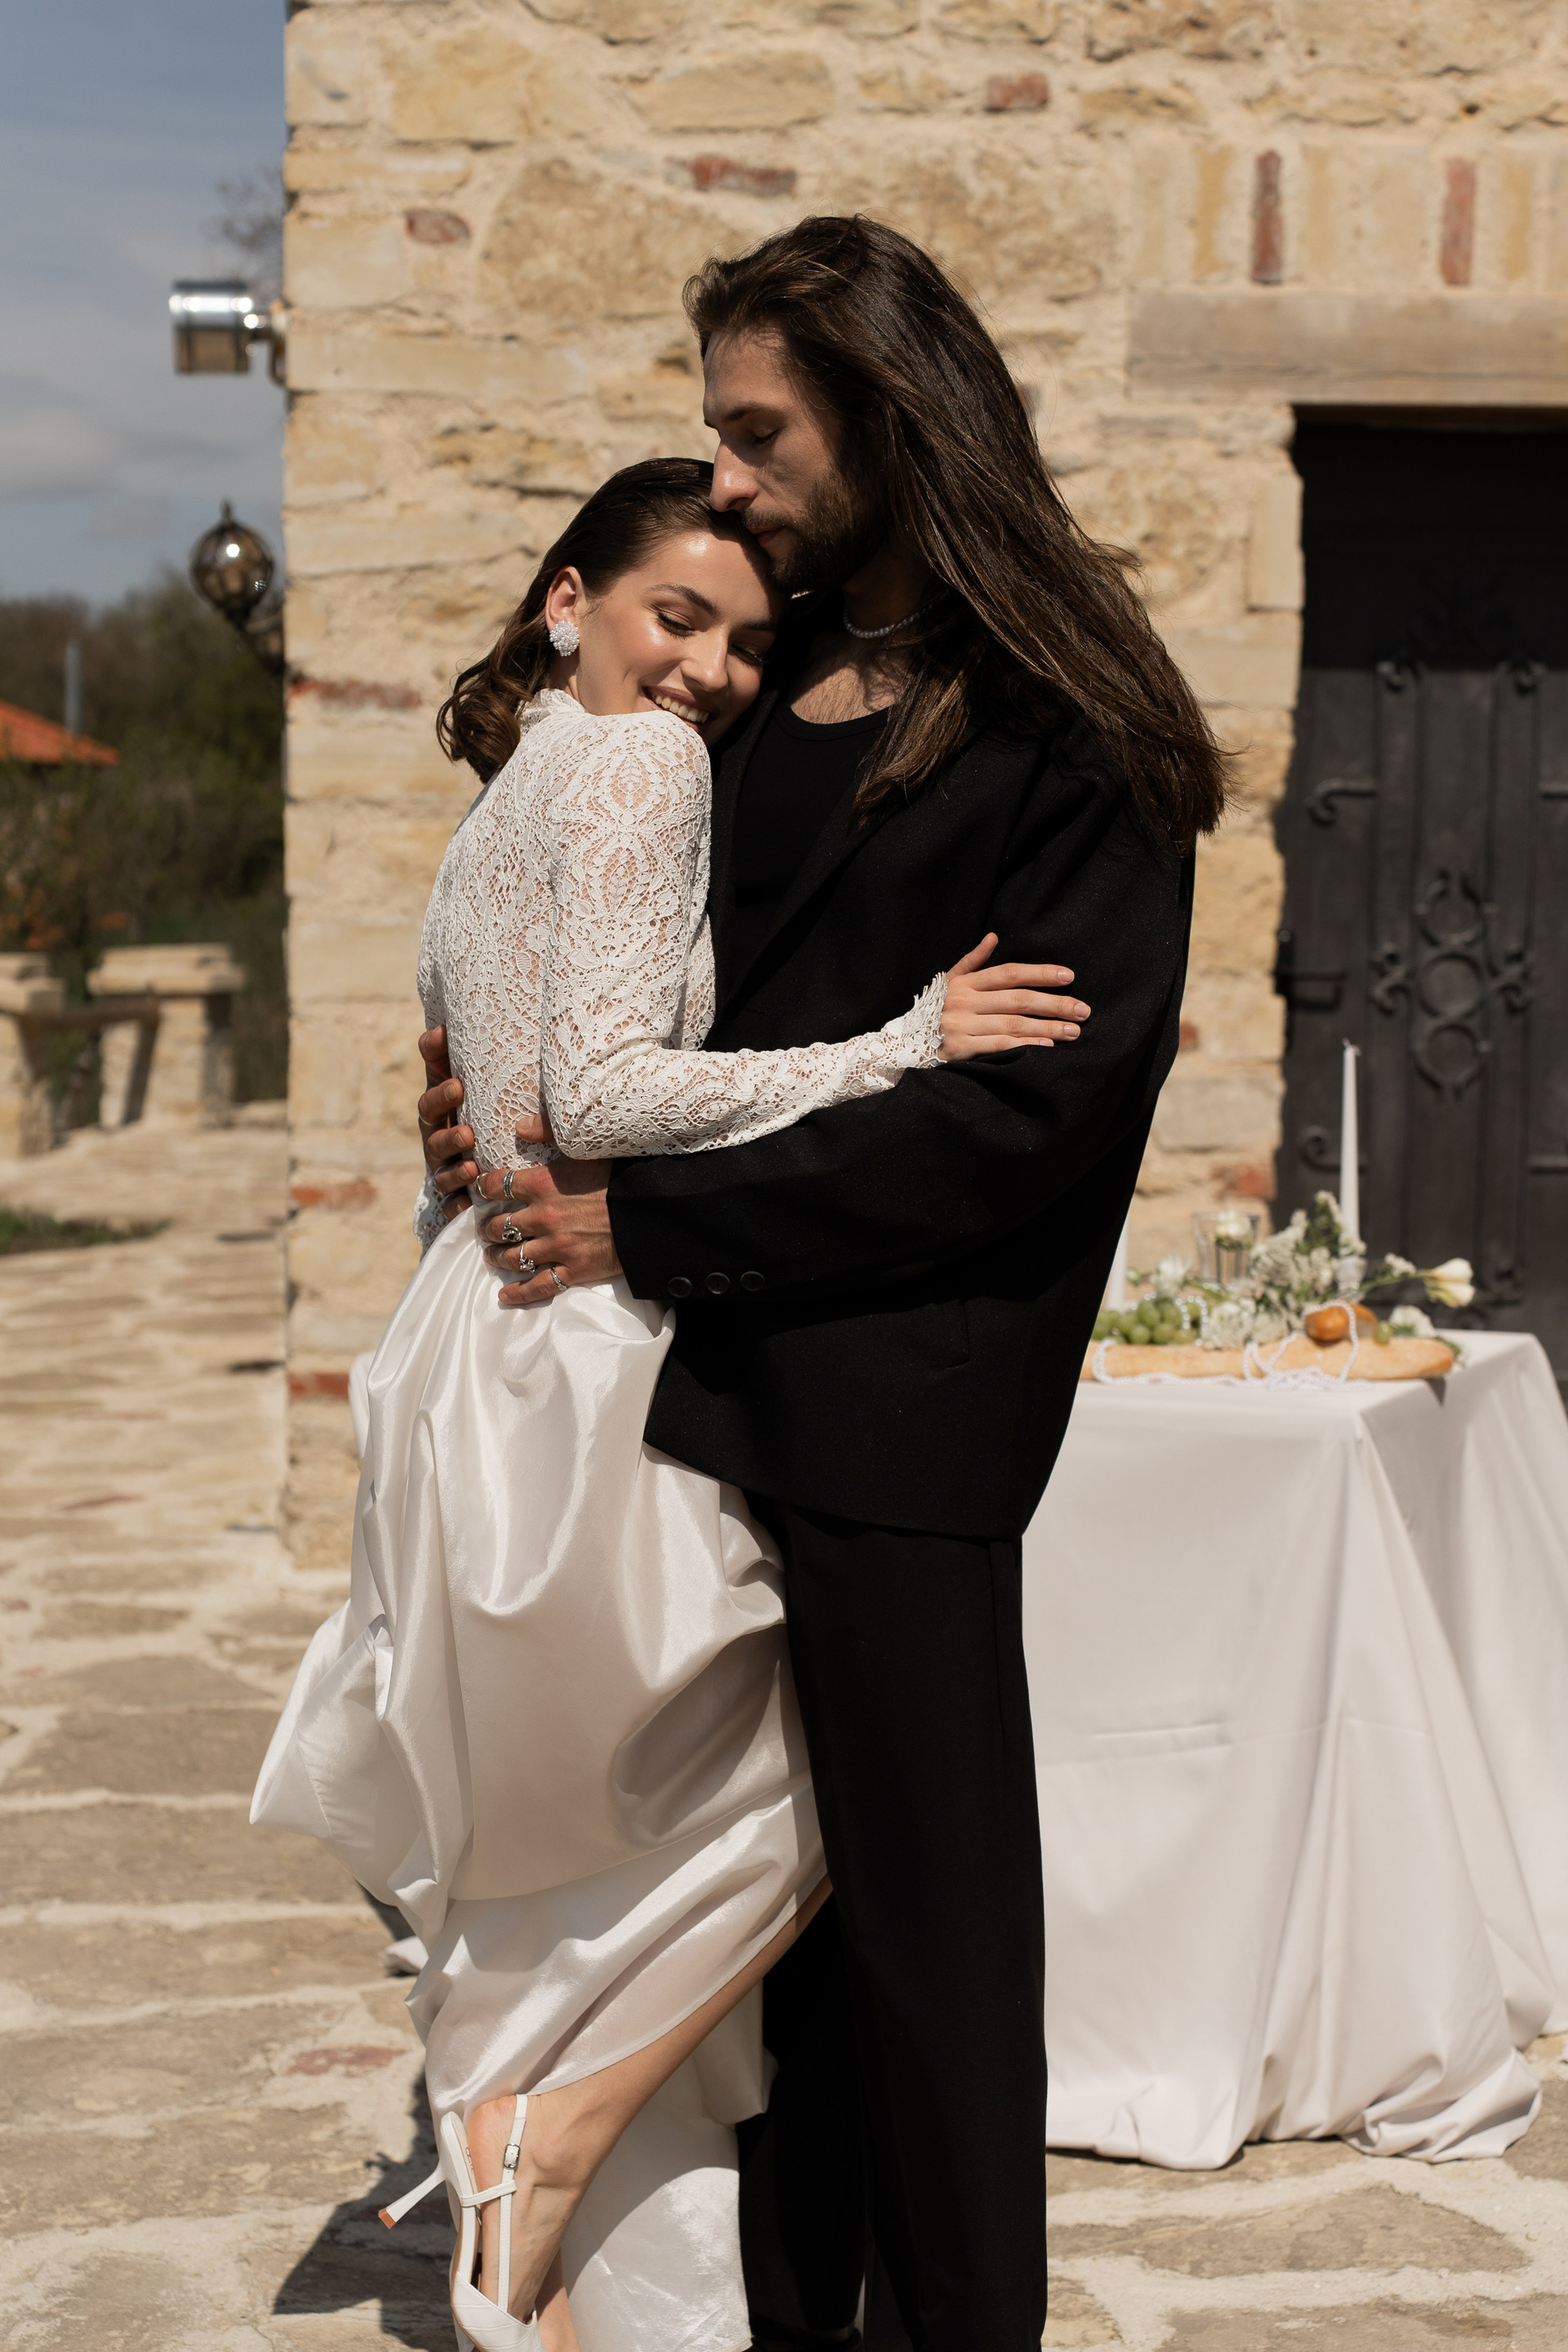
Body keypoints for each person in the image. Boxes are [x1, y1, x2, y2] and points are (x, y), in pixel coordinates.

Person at [418, 216, 1227, 2352]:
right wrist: (484, 1106)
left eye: (760, 433)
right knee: (747, 1965)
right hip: (668, 1402)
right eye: (718, 436)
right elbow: (615, 991)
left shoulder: (1072, 729)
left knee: (929, 1961)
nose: (730, 478)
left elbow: (1022, 1123)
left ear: (889, 411)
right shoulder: (742, 694)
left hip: (898, 1418)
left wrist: (654, 1225)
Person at [253, 457, 1084, 2352]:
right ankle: (540, 2140)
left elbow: (491, 1100)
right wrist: (903, 1043)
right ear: (570, 603)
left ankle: (561, 2257)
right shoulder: (644, 770)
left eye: (744, 642)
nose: (710, 670)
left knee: (593, 1830)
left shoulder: (506, 792)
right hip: (588, 1346)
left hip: (472, 1332)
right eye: (674, 618)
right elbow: (609, 1098)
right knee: (816, 1796)